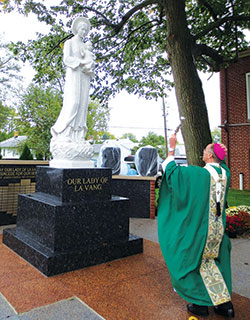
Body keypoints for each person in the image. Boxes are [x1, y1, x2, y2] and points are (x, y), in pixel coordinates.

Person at [158, 134, 235, 318]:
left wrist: (171, 148)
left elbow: (173, 174)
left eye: (205, 150)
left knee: (194, 260)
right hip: (218, 231)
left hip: (202, 231)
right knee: (215, 263)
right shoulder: (225, 174)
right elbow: (221, 164)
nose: (202, 153)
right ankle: (224, 306)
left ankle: (200, 305)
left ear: (209, 156)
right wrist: (221, 153)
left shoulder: (200, 174)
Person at [51, 17, 95, 142]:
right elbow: (67, 59)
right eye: (82, 29)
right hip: (74, 74)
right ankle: (65, 131)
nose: (84, 32)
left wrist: (89, 65)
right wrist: (81, 62)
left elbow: (90, 59)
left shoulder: (85, 46)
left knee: (82, 105)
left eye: (86, 30)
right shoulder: (69, 42)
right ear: (77, 29)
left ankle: (78, 134)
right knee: (73, 102)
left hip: (84, 76)